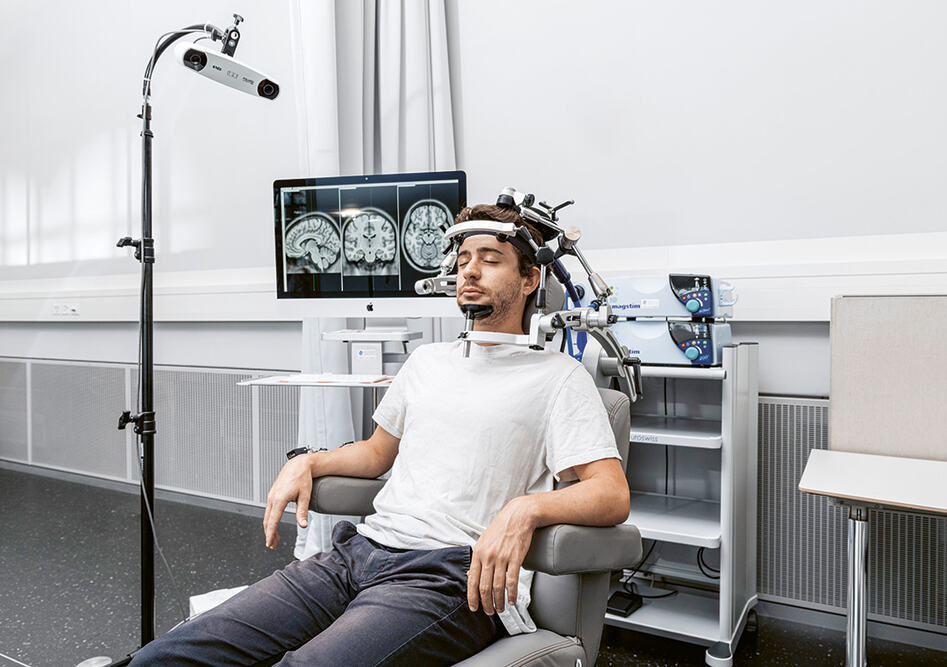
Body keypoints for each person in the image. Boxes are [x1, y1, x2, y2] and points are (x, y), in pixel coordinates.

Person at [131, 203, 631, 666]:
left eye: (490, 259)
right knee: (173, 653)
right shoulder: (427, 361)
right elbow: (374, 455)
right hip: (358, 552)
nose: (470, 271)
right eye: (462, 260)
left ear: (529, 278)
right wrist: (310, 461)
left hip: (448, 577)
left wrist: (527, 508)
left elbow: (610, 494)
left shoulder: (558, 377)